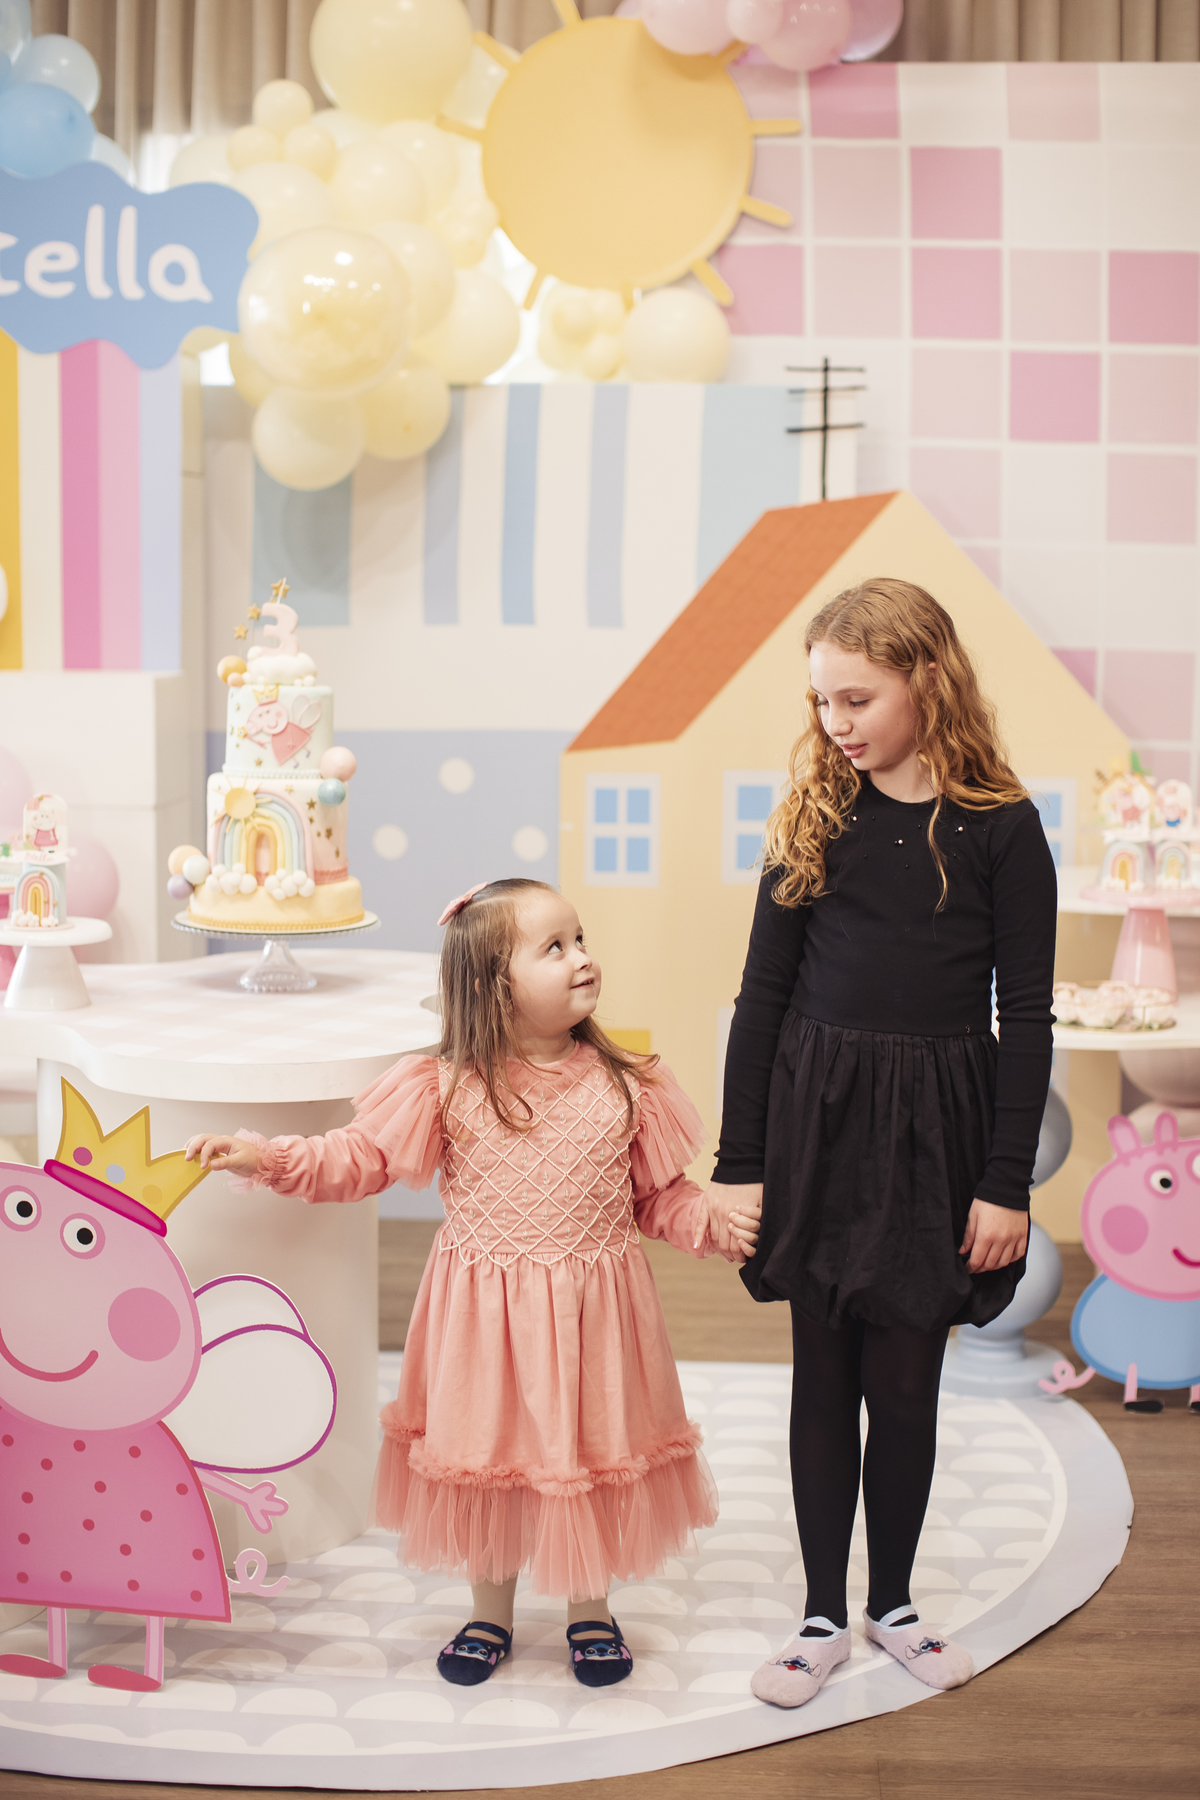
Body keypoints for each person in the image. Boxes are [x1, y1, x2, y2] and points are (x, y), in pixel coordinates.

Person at [186, 879, 726, 1690]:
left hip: (592, 1321)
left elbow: (657, 1198)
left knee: (588, 1453)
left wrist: (713, 1222)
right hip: (484, 1323)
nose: (582, 958)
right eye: (554, 948)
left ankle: (589, 1609)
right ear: (492, 986)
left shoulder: (627, 1086)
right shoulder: (445, 1086)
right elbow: (361, 1159)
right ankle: (488, 1612)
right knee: (488, 1459)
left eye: (580, 939)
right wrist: (267, 1156)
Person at [707, 579, 1056, 1709]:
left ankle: (892, 1603)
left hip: (936, 1134)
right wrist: (740, 1163)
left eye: (857, 698)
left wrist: (1006, 1183)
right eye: (822, 701)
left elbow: (1026, 1017)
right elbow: (761, 1000)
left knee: (905, 1384)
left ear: (928, 680)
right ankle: (819, 1613)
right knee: (824, 1375)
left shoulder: (1003, 828)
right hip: (820, 1120)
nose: (836, 722)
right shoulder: (813, 817)